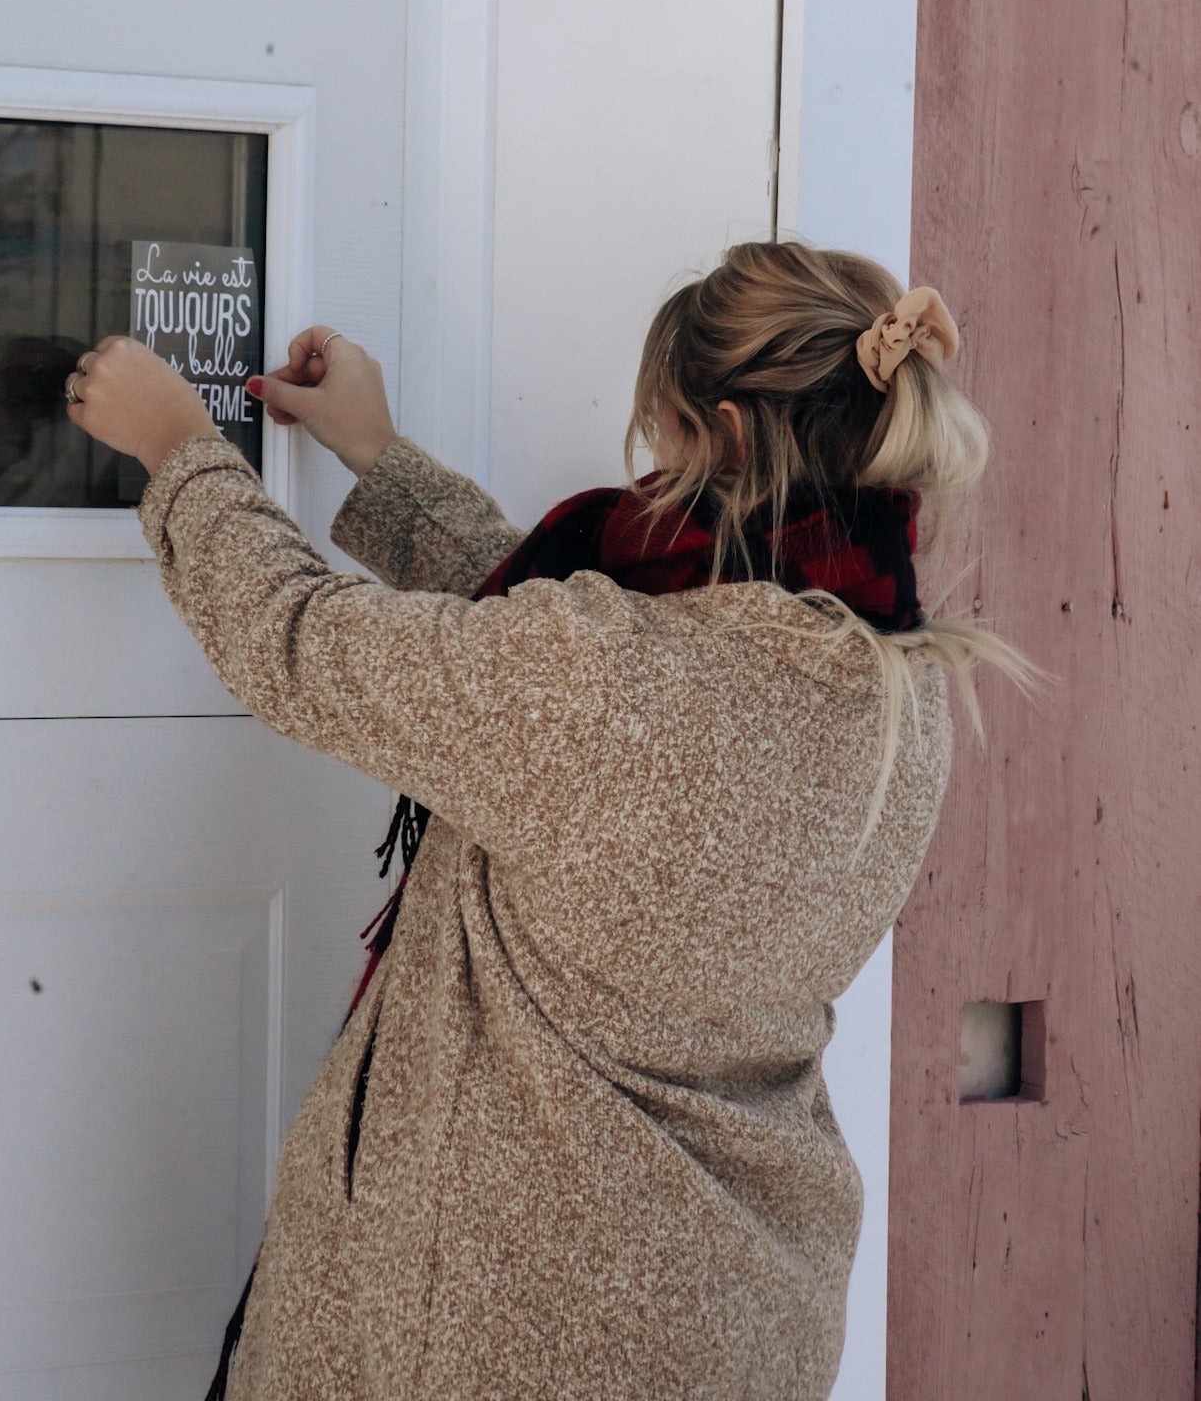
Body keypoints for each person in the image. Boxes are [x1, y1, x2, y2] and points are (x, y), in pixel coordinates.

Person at [65, 237, 1036, 1401]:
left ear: (724, 434)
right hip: (736, 1313)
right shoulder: (897, 686)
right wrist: (375, 454)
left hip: (515, 1313)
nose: (654, 463)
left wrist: (178, 447)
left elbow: (306, 643)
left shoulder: (612, 688)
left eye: (665, 428)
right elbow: (546, 677)